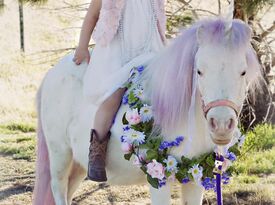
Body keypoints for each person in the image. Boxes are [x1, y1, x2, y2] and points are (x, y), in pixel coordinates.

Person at [73, 0, 166, 182]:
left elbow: (157, 21)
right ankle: (96, 154)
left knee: (166, 90)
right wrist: (82, 46)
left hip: (149, 51)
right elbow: (92, 15)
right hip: (117, 55)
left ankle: (168, 145)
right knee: (113, 96)